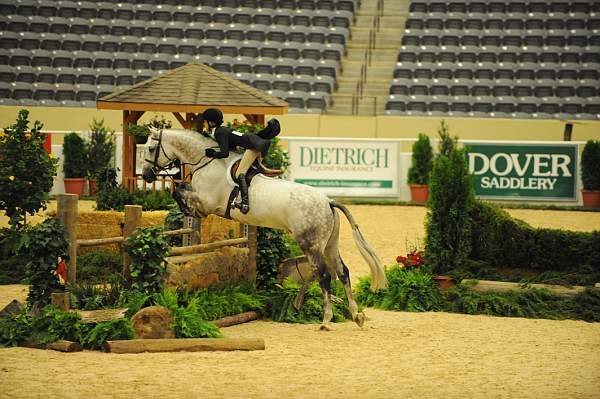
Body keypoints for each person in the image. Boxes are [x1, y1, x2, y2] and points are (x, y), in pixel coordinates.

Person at [199, 108, 280, 214]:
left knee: (239, 173)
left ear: (210, 122)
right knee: (246, 168)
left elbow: (225, 153)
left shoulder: (219, 132)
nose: (203, 124)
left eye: (204, 121)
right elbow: (230, 147)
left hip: (254, 146)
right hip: (256, 143)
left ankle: (245, 203)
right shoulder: (221, 130)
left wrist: (212, 153)